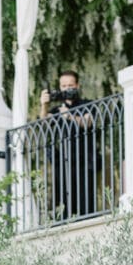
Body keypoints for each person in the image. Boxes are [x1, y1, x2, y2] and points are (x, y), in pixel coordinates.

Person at [40, 70, 96, 219]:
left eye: (70, 85)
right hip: (64, 163)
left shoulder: (88, 104)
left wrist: (69, 116)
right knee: (65, 202)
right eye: (63, 86)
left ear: (77, 85)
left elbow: (87, 122)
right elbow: (43, 124)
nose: (67, 89)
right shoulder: (57, 109)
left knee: (85, 203)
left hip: (84, 161)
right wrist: (44, 105)